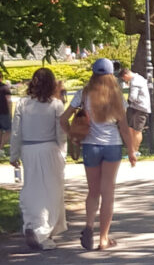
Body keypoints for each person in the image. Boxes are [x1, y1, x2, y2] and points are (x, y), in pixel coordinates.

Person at [60, 58, 137, 251]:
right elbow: (124, 128)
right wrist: (131, 151)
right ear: (111, 75)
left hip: (90, 146)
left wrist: (72, 135)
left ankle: (88, 226)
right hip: (112, 146)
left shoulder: (83, 94)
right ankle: (103, 238)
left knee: (93, 191)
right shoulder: (117, 97)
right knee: (108, 193)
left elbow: (63, 118)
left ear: (93, 74)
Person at [10, 68, 68, 250]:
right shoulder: (56, 105)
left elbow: (16, 131)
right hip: (50, 149)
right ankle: (42, 232)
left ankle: (31, 224)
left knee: (32, 190)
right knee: (51, 192)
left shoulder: (23, 103)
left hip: (29, 150)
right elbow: (60, 134)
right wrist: (63, 153)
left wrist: (14, 154)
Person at [117, 67, 151, 152]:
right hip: (136, 107)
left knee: (137, 130)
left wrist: (126, 104)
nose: (125, 80)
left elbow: (133, 97)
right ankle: (132, 150)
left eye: (124, 78)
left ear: (126, 75)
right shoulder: (138, 77)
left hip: (139, 108)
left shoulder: (135, 81)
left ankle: (135, 151)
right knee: (131, 128)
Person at [0, 71, 12, 157]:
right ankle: (0, 148)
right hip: (4, 112)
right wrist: (10, 112)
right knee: (9, 130)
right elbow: (9, 101)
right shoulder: (5, 88)